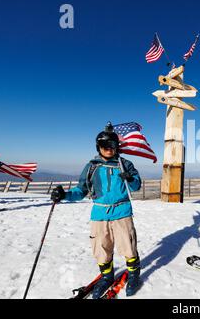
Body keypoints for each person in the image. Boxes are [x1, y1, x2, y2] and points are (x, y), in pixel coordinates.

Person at [51, 124, 142, 298]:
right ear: (98, 147)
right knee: (101, 249)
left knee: (128, 247)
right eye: (104, 146)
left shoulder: (125, 164)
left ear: (117, 147)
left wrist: (130, 178)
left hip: (122, 211)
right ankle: (107, 277)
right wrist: (64, 195)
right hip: (99, 213)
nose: (108, 149)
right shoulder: (91, 167)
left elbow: (136, 186)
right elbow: (81, 190)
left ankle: (133, 275)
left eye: (112, 146)